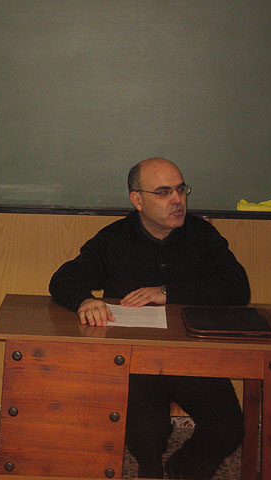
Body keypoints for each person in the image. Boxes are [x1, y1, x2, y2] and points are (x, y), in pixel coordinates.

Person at [49, 158, 250, 479]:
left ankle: (182, 469)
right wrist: (85, 300)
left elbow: (237, 288)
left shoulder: (202, 235)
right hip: (135, 360)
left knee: (228, 427)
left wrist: (168, 291)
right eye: (164, 192)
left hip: (193, 357)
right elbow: (64, 278)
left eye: (181, 190)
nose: (177, 200)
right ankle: (151, 469)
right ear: (137, 200)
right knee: (148, 431)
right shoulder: (114, 239)